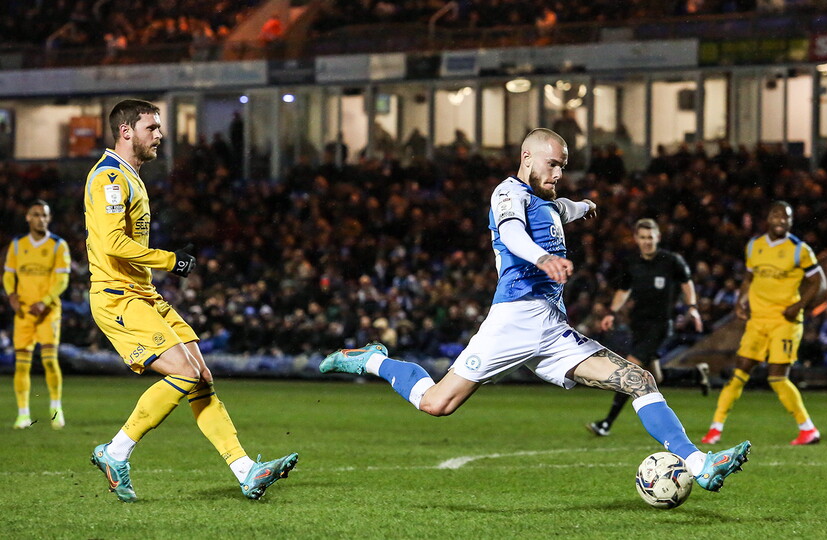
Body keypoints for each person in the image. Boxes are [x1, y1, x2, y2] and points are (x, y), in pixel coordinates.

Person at [321, 128, 750, 493]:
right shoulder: (507, 193)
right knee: (437, 404)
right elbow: (511, 234)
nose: (559, 173)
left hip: (552, 331)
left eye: (564, 166)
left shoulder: (548, 201)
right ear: (527, 158)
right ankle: (373, 360)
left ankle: (699, 464)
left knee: (638, 378)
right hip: (512, 321)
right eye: (553, 164)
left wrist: (585, 207)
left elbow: (565, 208)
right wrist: (542, 258)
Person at [84, 99, 297, 502]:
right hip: (118, 297)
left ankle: (246, 470)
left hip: (142, 293)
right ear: (126, 131)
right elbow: (112, 243)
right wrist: (170, 260)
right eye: (152, 128)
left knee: (201, 378)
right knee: (183, 374)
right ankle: (115, 452)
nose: (160, 135)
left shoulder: (129, 176)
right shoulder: (109, 178)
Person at [701, 201, 826, 446]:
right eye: (777, 215)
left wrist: (798, 306)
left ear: (791, 222)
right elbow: (749, 278)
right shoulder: (754, 246)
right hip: (757, 321)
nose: (781, 220)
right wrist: (740, 301)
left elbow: (820, 283)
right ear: (768, 218)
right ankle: (715, 429)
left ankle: (808, 429)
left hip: (785, 322)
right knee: (739, 373)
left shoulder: (800, 250)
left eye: (787, 217)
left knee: (777, 376)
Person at [586, 218, 709, 437]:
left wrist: (692, 307)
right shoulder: (632, 263)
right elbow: (624, 290)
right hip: (640, 325)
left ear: (657, 238)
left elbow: (686, 282)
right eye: (642, 238)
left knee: (631, 370)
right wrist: (612, 313)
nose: (647, 242)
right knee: (655, 377)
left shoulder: (671, 261)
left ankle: (606, 423)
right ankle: (695, 374)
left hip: (661, 325)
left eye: (650, 238)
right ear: (636, 239)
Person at [3, 200, 71, 429]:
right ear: (27, 218)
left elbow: (62, 280)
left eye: (44, 215)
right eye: (36, 214)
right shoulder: (17, 245)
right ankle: (23, 414)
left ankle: (56, 408)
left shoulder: (58, 245)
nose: (40, 218)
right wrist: (11, 295)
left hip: (48, 312)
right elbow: (9, 274)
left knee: (50, 361)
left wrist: (45, 302)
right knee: (21, 364)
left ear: (49, 219)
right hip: (23, 311)